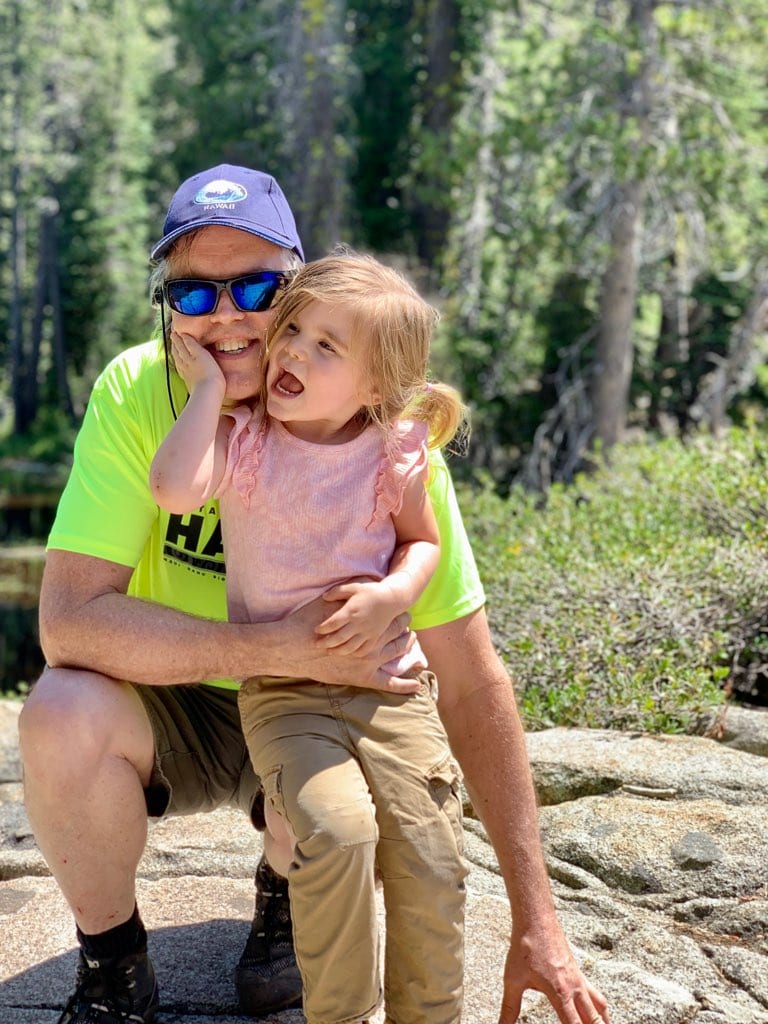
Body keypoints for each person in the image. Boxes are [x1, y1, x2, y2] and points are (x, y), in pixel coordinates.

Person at [17, 163, 610, 1024]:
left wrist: (538, 921)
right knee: (58, 713)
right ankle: (115, 970)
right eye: (192, 295)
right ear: (166, 308)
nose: (225, 316)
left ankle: (283, 900)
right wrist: (271, 647)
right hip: (175, 704)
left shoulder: (381, 434)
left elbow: (472, 674)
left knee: (357, 793)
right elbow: (69, 621)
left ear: (299, 290)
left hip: (316, 705)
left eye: (255, 286)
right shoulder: (139, 393)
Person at [149, 251, 470, 1023]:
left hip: (391, 687)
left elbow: (421, 544)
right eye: (293, 330)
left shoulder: (395, 450)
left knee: (431, 854)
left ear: (376, 384)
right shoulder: (247, 438)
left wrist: (392, 595)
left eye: (328, 346)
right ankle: (341, 1014)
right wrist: (206, 392)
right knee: (337, 832)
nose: (291, 349)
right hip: (286, 695)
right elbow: (172, 488)